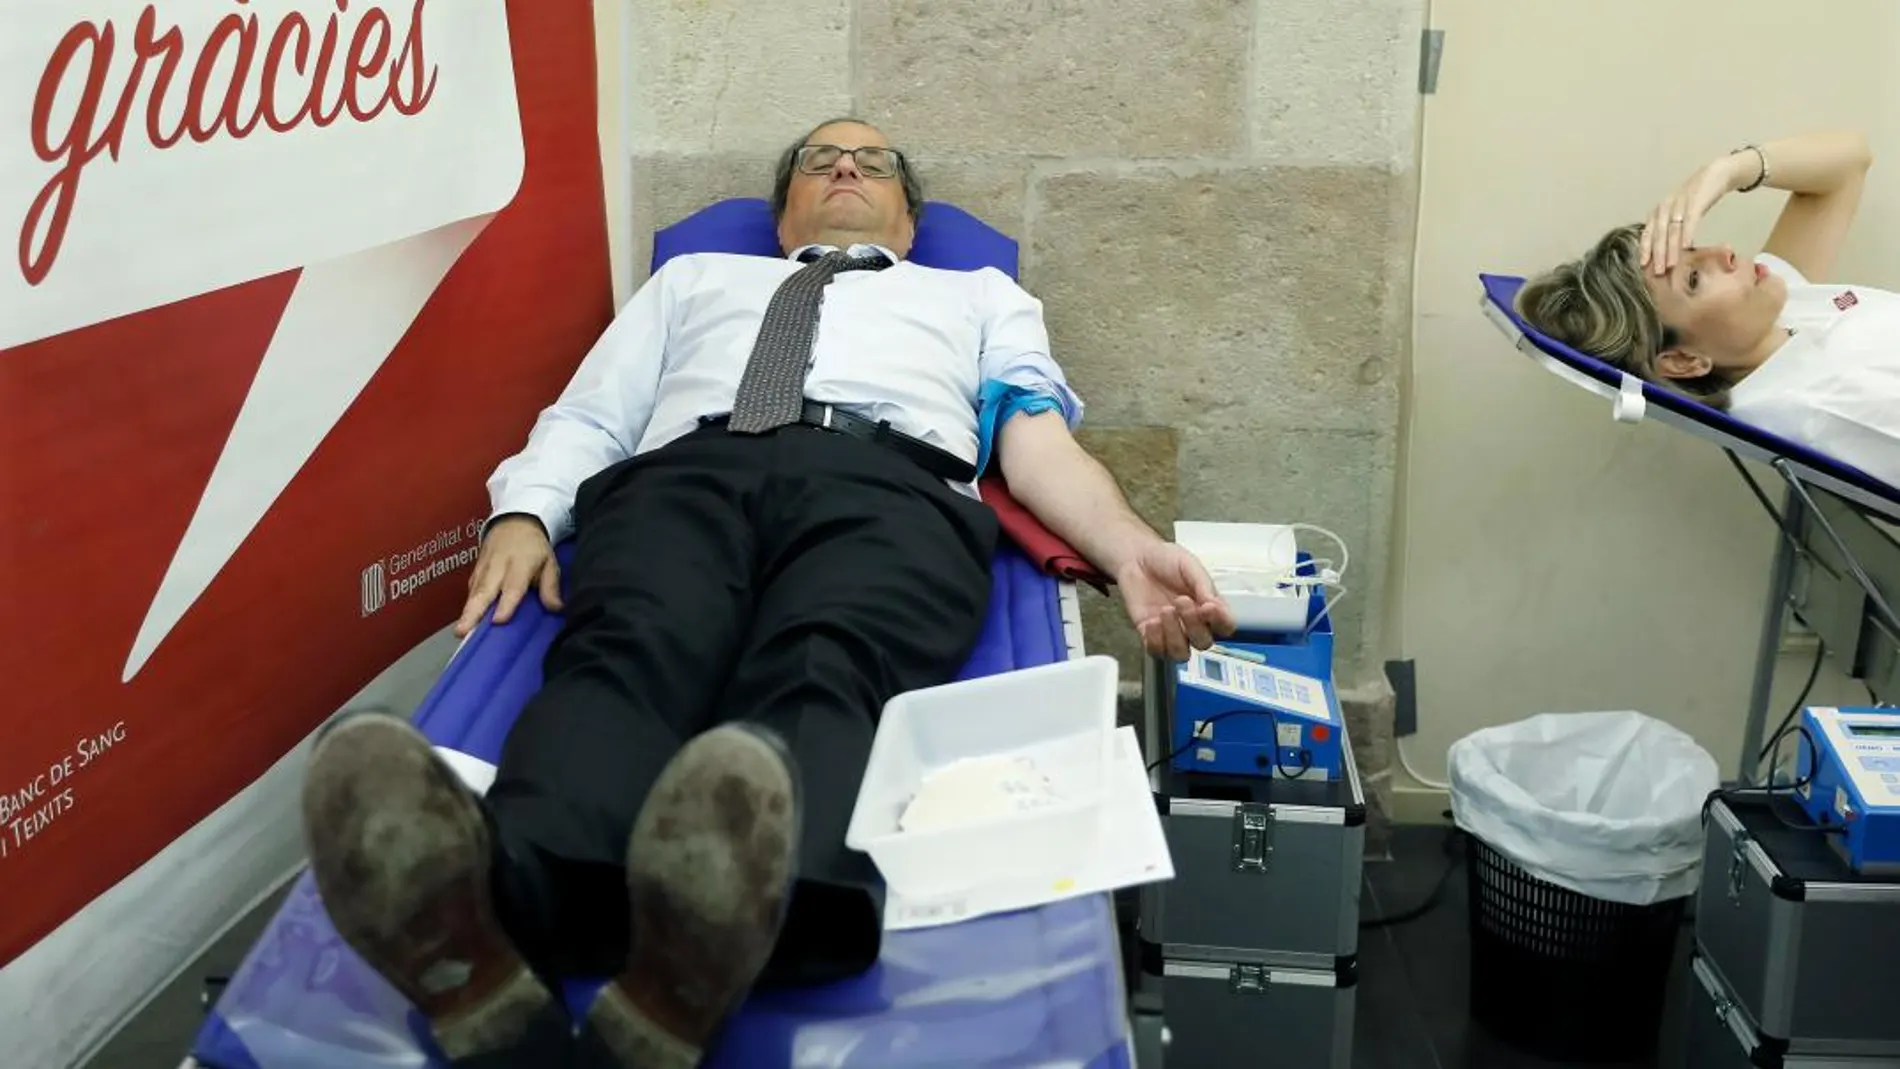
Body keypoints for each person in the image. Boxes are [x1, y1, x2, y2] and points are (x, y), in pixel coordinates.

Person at [299, 117, 1237, 1069]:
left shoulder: (980, 296)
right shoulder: (691, 281)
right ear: (782, 210)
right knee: (629, 644)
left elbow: (1035, 444)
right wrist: (527, 513)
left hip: (892, 488)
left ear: (910, 220)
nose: (843, 166)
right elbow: (595, 413)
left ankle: (727, 926)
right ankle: (507, 920)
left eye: (873, 162)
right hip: (687, 473)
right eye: (819, 160)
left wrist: (1129, 549)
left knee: (825, 658)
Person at [1514, 130, 1900, 485]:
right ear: (1683, 360)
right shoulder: (1827, 405)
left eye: (1695, 249)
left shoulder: (1771, 323)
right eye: (1695, 279)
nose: (1726, 251)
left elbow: (1850, 163)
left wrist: (1728, 171)